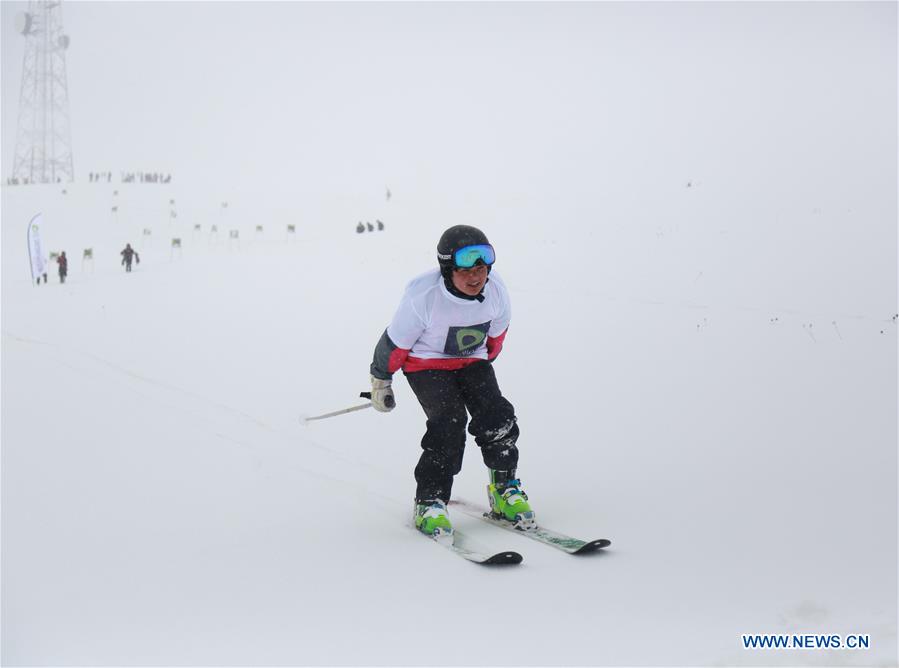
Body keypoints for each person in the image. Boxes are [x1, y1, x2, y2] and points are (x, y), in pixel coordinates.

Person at [369, 225, 534, 538]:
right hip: (425, 364)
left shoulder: (496, 292)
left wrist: (478, 380)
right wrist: (381, 382)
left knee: (496, 415)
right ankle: (430, 500)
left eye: (481, 269)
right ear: (448, 270)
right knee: (449, 421)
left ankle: (504, 490)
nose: (475, 278)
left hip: (472, 360)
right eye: (465, 271)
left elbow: (496, 338)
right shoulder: (425, 298)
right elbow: (393, 343)